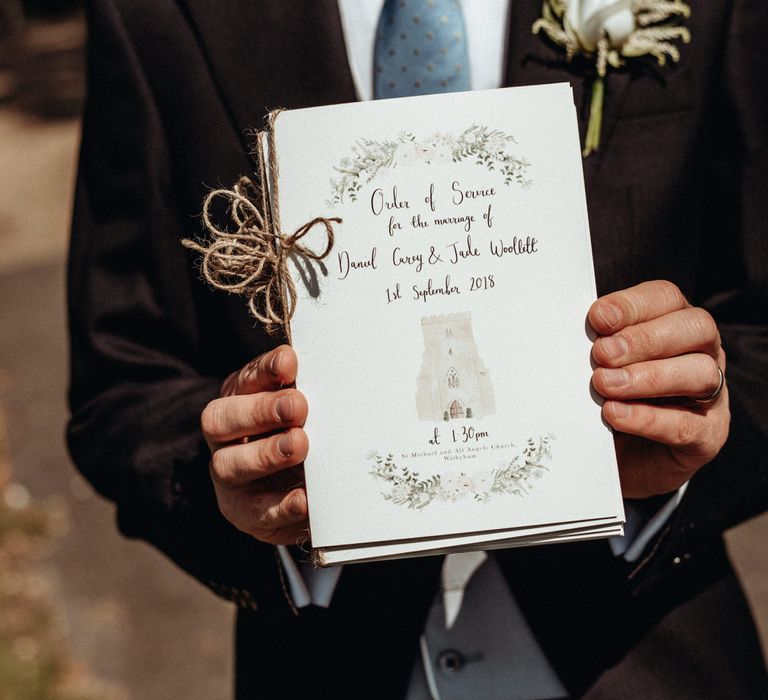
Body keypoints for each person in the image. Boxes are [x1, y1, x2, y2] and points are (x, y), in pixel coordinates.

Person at [67, 0, 768, 697]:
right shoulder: (155, 13)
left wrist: (690, 421)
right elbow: (123, 379)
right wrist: (234, 468)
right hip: (329, 661)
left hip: (646, 652)